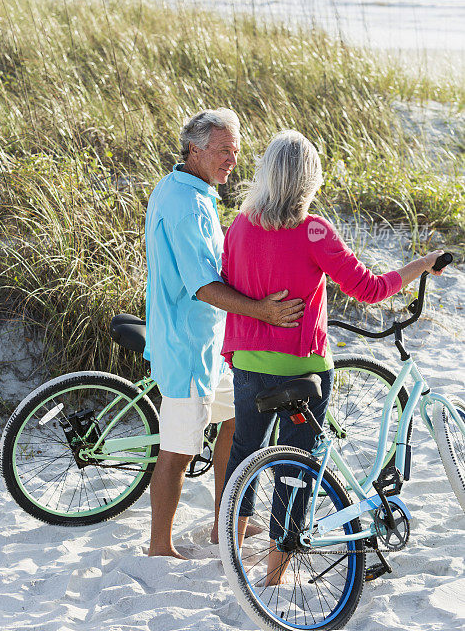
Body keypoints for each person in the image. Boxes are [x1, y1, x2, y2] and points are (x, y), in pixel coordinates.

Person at [221, 129, 446, 585]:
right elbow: (370, 289)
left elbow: (229, 280)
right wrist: (422, 264)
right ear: (308, 178)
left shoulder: (241, 225)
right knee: (294, 467)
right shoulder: (313, 229)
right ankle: (273, 575)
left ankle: (228, 546)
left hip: (246, 360)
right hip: (301, 366)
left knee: (245, 450)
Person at [144, 109, 305, 558]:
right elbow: (202, 284)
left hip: (214, 343)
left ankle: (225, 523)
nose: (232, 159)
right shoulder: (184, 203)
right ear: (195, 149)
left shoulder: (190, 188)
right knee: (177, 450)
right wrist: (262, 311)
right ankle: (159, 547)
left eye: (235, 150)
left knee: (235, 423)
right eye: (222, 150)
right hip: (185, 345)